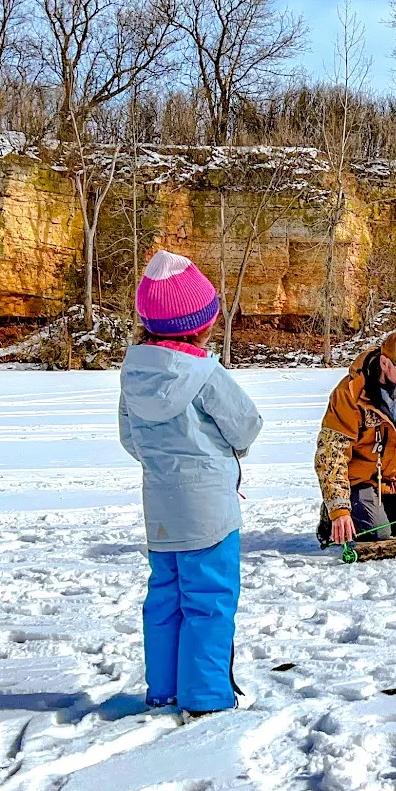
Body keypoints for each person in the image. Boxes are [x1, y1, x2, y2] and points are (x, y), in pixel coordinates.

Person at [117, 251, 264, 717]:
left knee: (164, 598)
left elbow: (130, 438)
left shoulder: (133, 372)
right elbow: (246, 426)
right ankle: (207, 696)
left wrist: (164, 465)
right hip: (209, 509)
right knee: (210, 599)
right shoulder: (205, 373)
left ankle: (164, 689)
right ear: (204, 322)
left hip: (160, 508)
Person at [316, 330, 396, 546]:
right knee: (377, 535)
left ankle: (382, 510)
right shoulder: (350, 393)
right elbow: (331, 453)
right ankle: (333, 515)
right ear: (385, 363)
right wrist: (339, 508)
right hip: (361, 480)